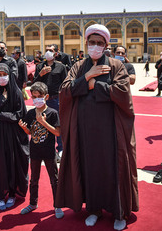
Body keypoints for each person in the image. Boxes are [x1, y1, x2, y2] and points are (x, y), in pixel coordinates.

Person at [55, 24, 138, 230]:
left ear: (106, 45)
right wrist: (87, 77)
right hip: (85, 130)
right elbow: (65, 90)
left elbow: (122, 92)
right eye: (92, 42)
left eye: (99, 43)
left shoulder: (116, 65)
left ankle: (119, 213)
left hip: (110, 131)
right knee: (90, 169)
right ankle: (94, 209)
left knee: (113, 169)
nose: (95, 46)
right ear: (86, 43)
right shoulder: (78, 67)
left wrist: (95, 86)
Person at [0, 63, 29, 211]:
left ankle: (12, 194)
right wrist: (1, 100)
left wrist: (0, 115)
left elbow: (19, 115)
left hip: (13, 135)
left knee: (13, 163)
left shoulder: (16, 92)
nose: (2, 78)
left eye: (4, 75)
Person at [18, 82, 63, 218]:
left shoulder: (52, 113)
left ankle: (57, 205)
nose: (37, 99)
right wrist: (24, 128)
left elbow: (57, 133)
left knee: (54, 179)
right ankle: (33, 203)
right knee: (34, 179)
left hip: (49, 152)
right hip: (35, 151)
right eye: (34, 96)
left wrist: (43, 122)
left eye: (40, 96)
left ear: (46, 96)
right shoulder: (31, 113)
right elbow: (32, 132)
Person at [33, 45, 67, 158]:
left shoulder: (61, 67)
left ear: (56, 53)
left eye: (51, 50)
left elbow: (65, 84)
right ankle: (44, 148)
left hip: (56, 99)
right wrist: (40, 74)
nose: (48, 52)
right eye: (46, 50)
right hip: (42, 101)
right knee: (41, 123)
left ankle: (61, 148)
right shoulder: (40, 67)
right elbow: (34, 83)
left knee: (57, 124)